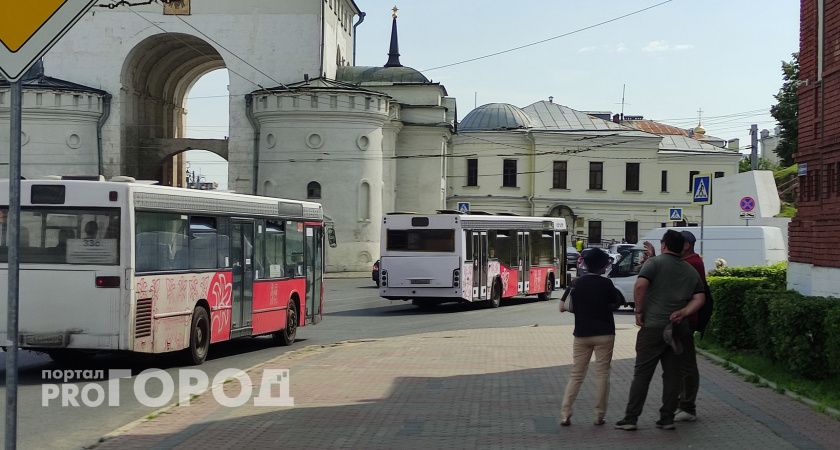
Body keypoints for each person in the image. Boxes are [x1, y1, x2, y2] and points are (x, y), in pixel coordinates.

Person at [615, 230, 705, 431]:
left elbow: (640, 286)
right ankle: (667, 419)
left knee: (642, 374)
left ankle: (631, 418)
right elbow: (700, 298)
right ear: (682, 247)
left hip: (653, 327)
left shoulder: (654, 263)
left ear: (664, 245)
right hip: (677, 329)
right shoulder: (689, 270)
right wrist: (683, 312)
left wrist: (639, 311)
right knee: (673, 375)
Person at [560, 248, 618, 426]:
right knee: (602, 374)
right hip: (605, 333)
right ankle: (599, 415)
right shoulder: (606, 283)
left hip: (582, 334)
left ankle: (565, 413)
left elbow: (562, 306)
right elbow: (617, 302)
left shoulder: (577, 283)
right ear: (602, 266)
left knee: (576, 374)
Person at [675, 231, 712, 423]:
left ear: (686, 245)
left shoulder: (692, 263)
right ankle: (681, 402)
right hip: (683, 317)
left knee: (686, 363)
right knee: (679, 363)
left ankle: (687, 406)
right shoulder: (689, 261)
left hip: (687, 318)